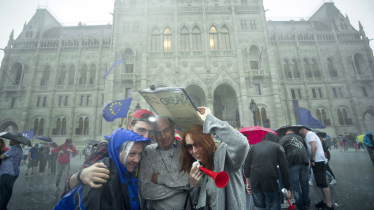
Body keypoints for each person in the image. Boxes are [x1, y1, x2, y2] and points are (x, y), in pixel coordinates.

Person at [63, 109, 155, 197]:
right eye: (141, 130)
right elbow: (70, 186)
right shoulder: (108, 146)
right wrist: (81, 175)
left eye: (150, 132)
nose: (146, 136)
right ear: (130, 127)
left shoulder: (149, 149)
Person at [180, 107, 249, 210]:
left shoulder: (225, 156)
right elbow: (195, 203)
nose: (194, 151)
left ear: (207, 141)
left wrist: (209, 119)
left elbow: (241, 143)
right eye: (189, 147)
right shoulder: (197, 167)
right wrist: (193, 185)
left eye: (198, 144)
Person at [70, 128, 150, 210]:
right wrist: (80, 175)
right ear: (117, 151)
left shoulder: (129, 170)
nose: (137, 159)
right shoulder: (100, 174)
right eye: (132, 154)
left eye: (139, 154)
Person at [138, 115, 190, 210]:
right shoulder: (148, 152)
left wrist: (159, 178)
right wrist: (182, 188)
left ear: (173, 128)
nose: (163, 136)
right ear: (153, 135)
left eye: (165, 130)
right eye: (158, 133)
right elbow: (145, 190)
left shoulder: (186, 148)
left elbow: (190, 178)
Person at [244, 132, 290, 210]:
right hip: (270, 181)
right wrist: (287, 188)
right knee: (273, 205)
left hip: (254, 181)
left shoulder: (254, 147)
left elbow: (247, 165)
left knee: (259, 207)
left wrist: (248, 182)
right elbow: (284, 169)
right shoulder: (278, 147)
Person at [299, 128, 334, 210]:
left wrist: (313, 159)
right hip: (318, 161)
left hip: (318, 161)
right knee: (321, 183)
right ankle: (325, 201)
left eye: (300, 131)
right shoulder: (309, 135)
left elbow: (314, 147)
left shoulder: (310, 134)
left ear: (303, 130)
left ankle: (329, 204)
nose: (300, 133)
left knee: (323, 183)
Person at [278, 128, 310, 210]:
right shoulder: (300, 138)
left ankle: (300, 205)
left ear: (286, 133)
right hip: (304, 161)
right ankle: (306, 203)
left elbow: (279, 151)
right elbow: (305, 149)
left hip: (293, 161)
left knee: (295, 184)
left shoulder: (283, 138)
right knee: (305, 183)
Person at [0, 139, 23, 209]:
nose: (10, 141)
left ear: (16, 141)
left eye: (11, 140)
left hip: (8, 173)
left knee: (4, 192)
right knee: (7, 191)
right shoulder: (19, 148)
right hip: (13, 173)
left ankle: (2, 207)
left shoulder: (14, 148)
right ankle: (3, 207)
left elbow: (1, 157)